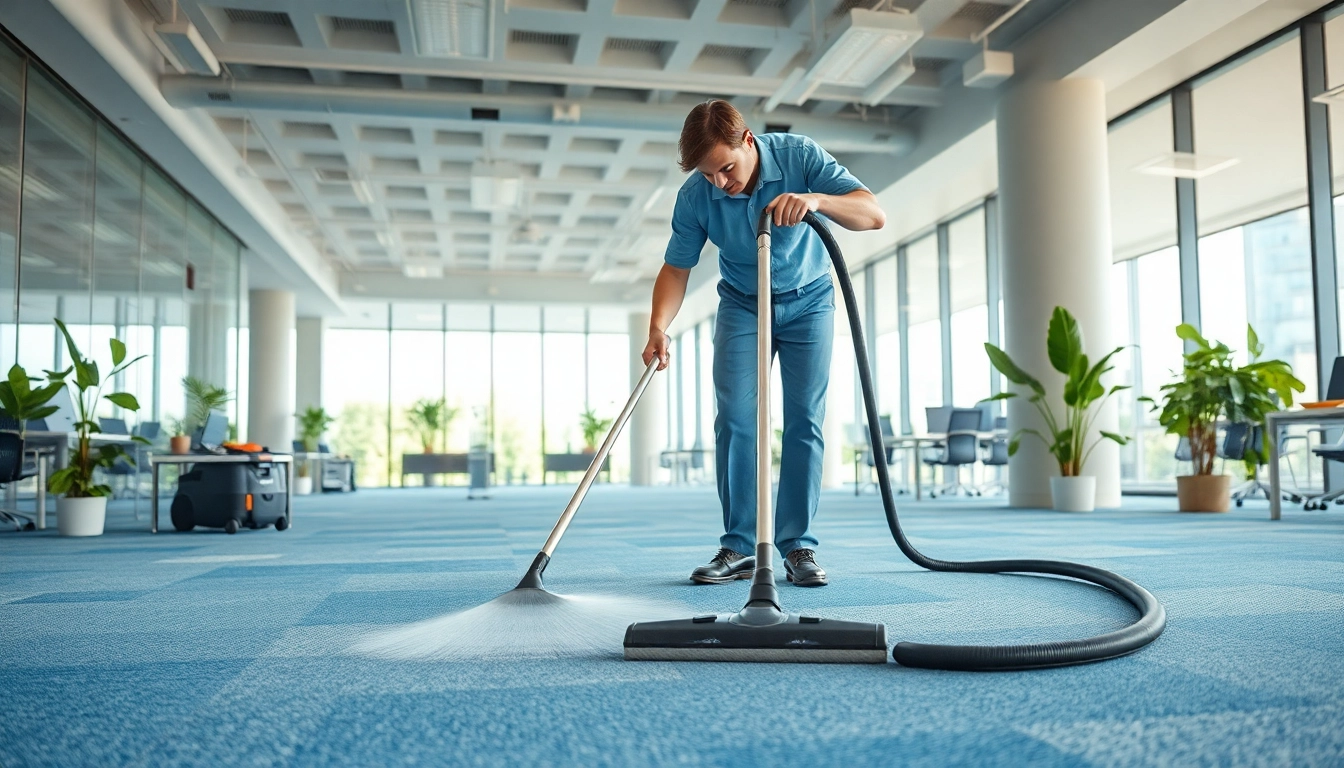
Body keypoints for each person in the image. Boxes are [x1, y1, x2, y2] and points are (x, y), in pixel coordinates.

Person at [642, 100, 886, 587]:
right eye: (709, 174)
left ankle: (798, 547)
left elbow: (872, 214)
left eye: (726, 168)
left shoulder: (800, 156)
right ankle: (738, 546)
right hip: (741, 303)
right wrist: (658, 325)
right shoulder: (696, 197)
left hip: (809, 302)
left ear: (747, 140)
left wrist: (817, 200)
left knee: (804, 420)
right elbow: (676, 267)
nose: (719, 183)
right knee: (735, 418)